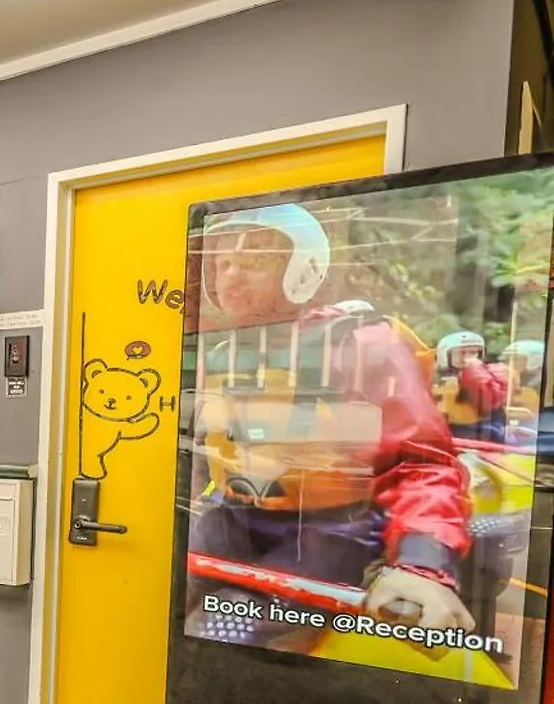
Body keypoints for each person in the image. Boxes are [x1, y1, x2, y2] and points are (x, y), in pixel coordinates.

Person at [188, 203, 475, 647]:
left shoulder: (362, 344)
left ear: (303, 269)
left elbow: (422, 465)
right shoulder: (222, 354)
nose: (232, 275)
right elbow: (204, 451)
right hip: (232, 518)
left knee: (229, 634)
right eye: (224, 263)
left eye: (255, 259)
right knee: (158, 599)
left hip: (332, 533)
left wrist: (420, 563)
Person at [433, 330, 511, 442]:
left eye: (474, 353)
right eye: (461, 353)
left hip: (478, 435)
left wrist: (475, 373)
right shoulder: (433, 378)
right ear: (445, 354)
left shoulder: (487, 377)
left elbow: (492, 406)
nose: (468, 358)